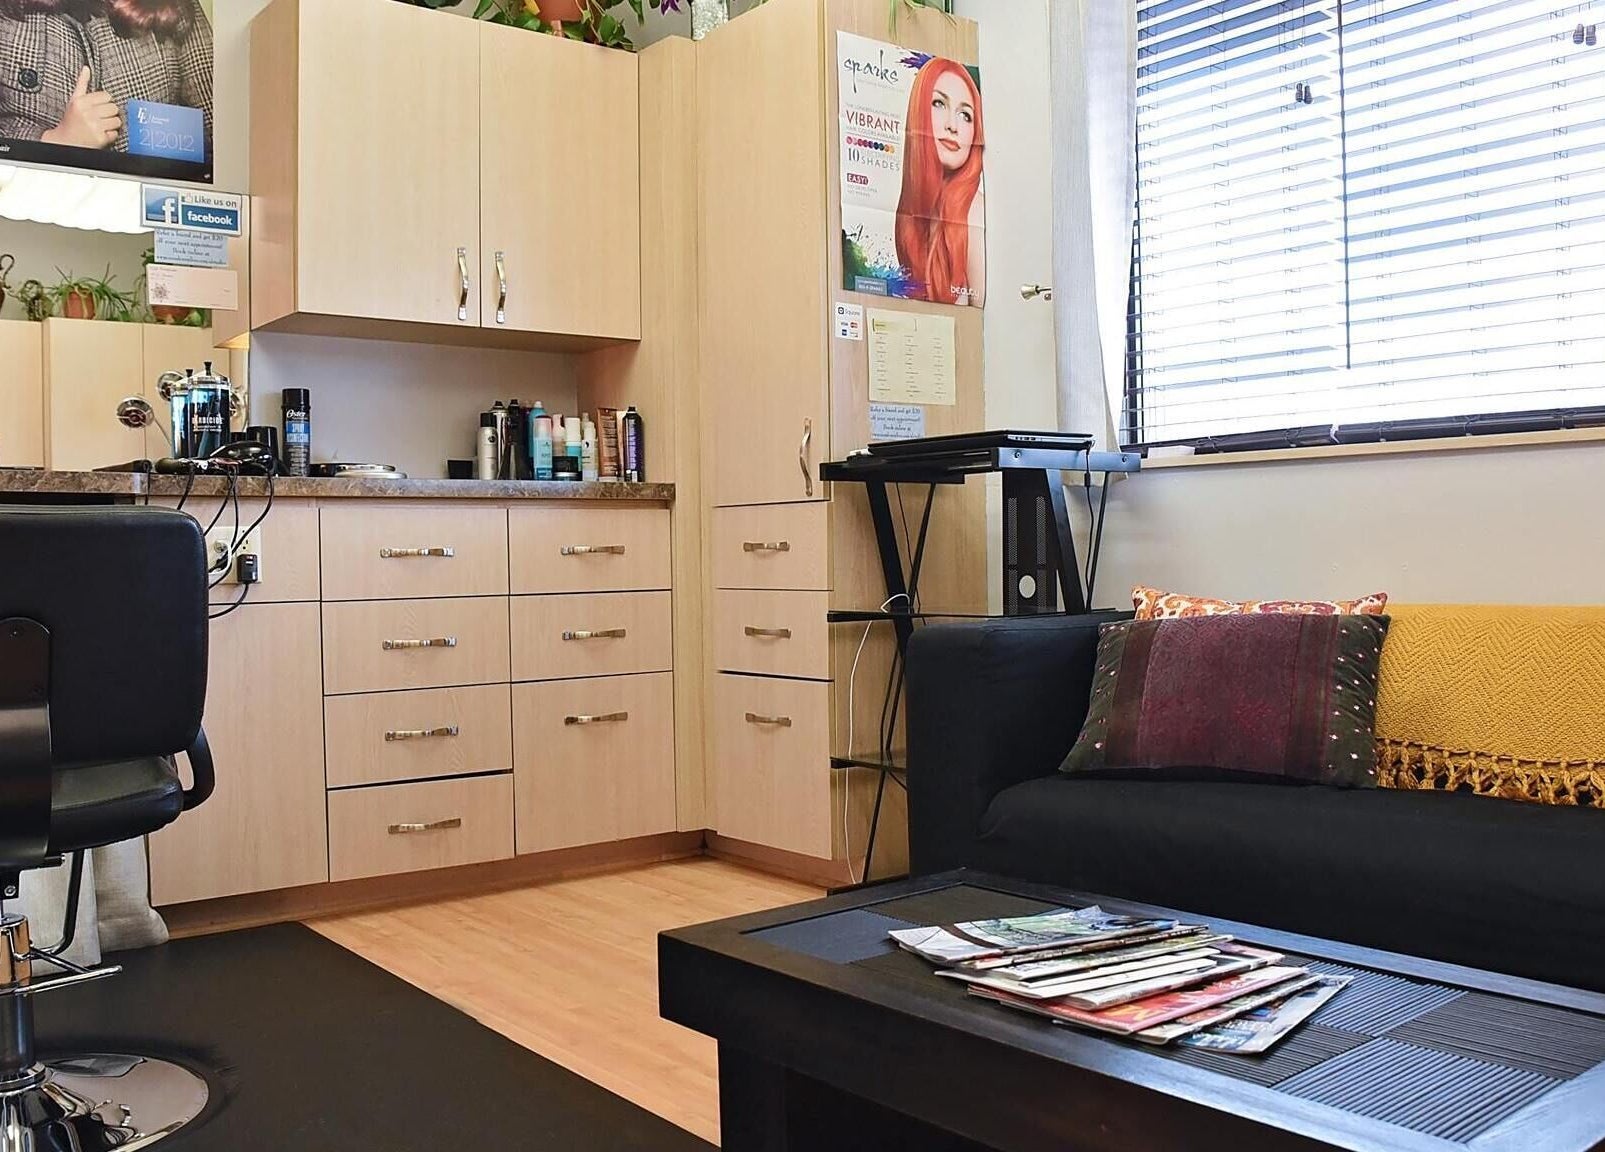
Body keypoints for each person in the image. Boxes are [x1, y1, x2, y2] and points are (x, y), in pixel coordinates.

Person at [0, 0, 212, 160]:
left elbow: (225, 129)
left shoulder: (174, 6)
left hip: (154, 203)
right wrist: (53, 141)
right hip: (40, 205)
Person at [895, 56, 986, 308]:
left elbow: (985, 322)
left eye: (966, 115)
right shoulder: (913, 219)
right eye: (938, 103)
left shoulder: (973, 210)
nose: (953, 126)